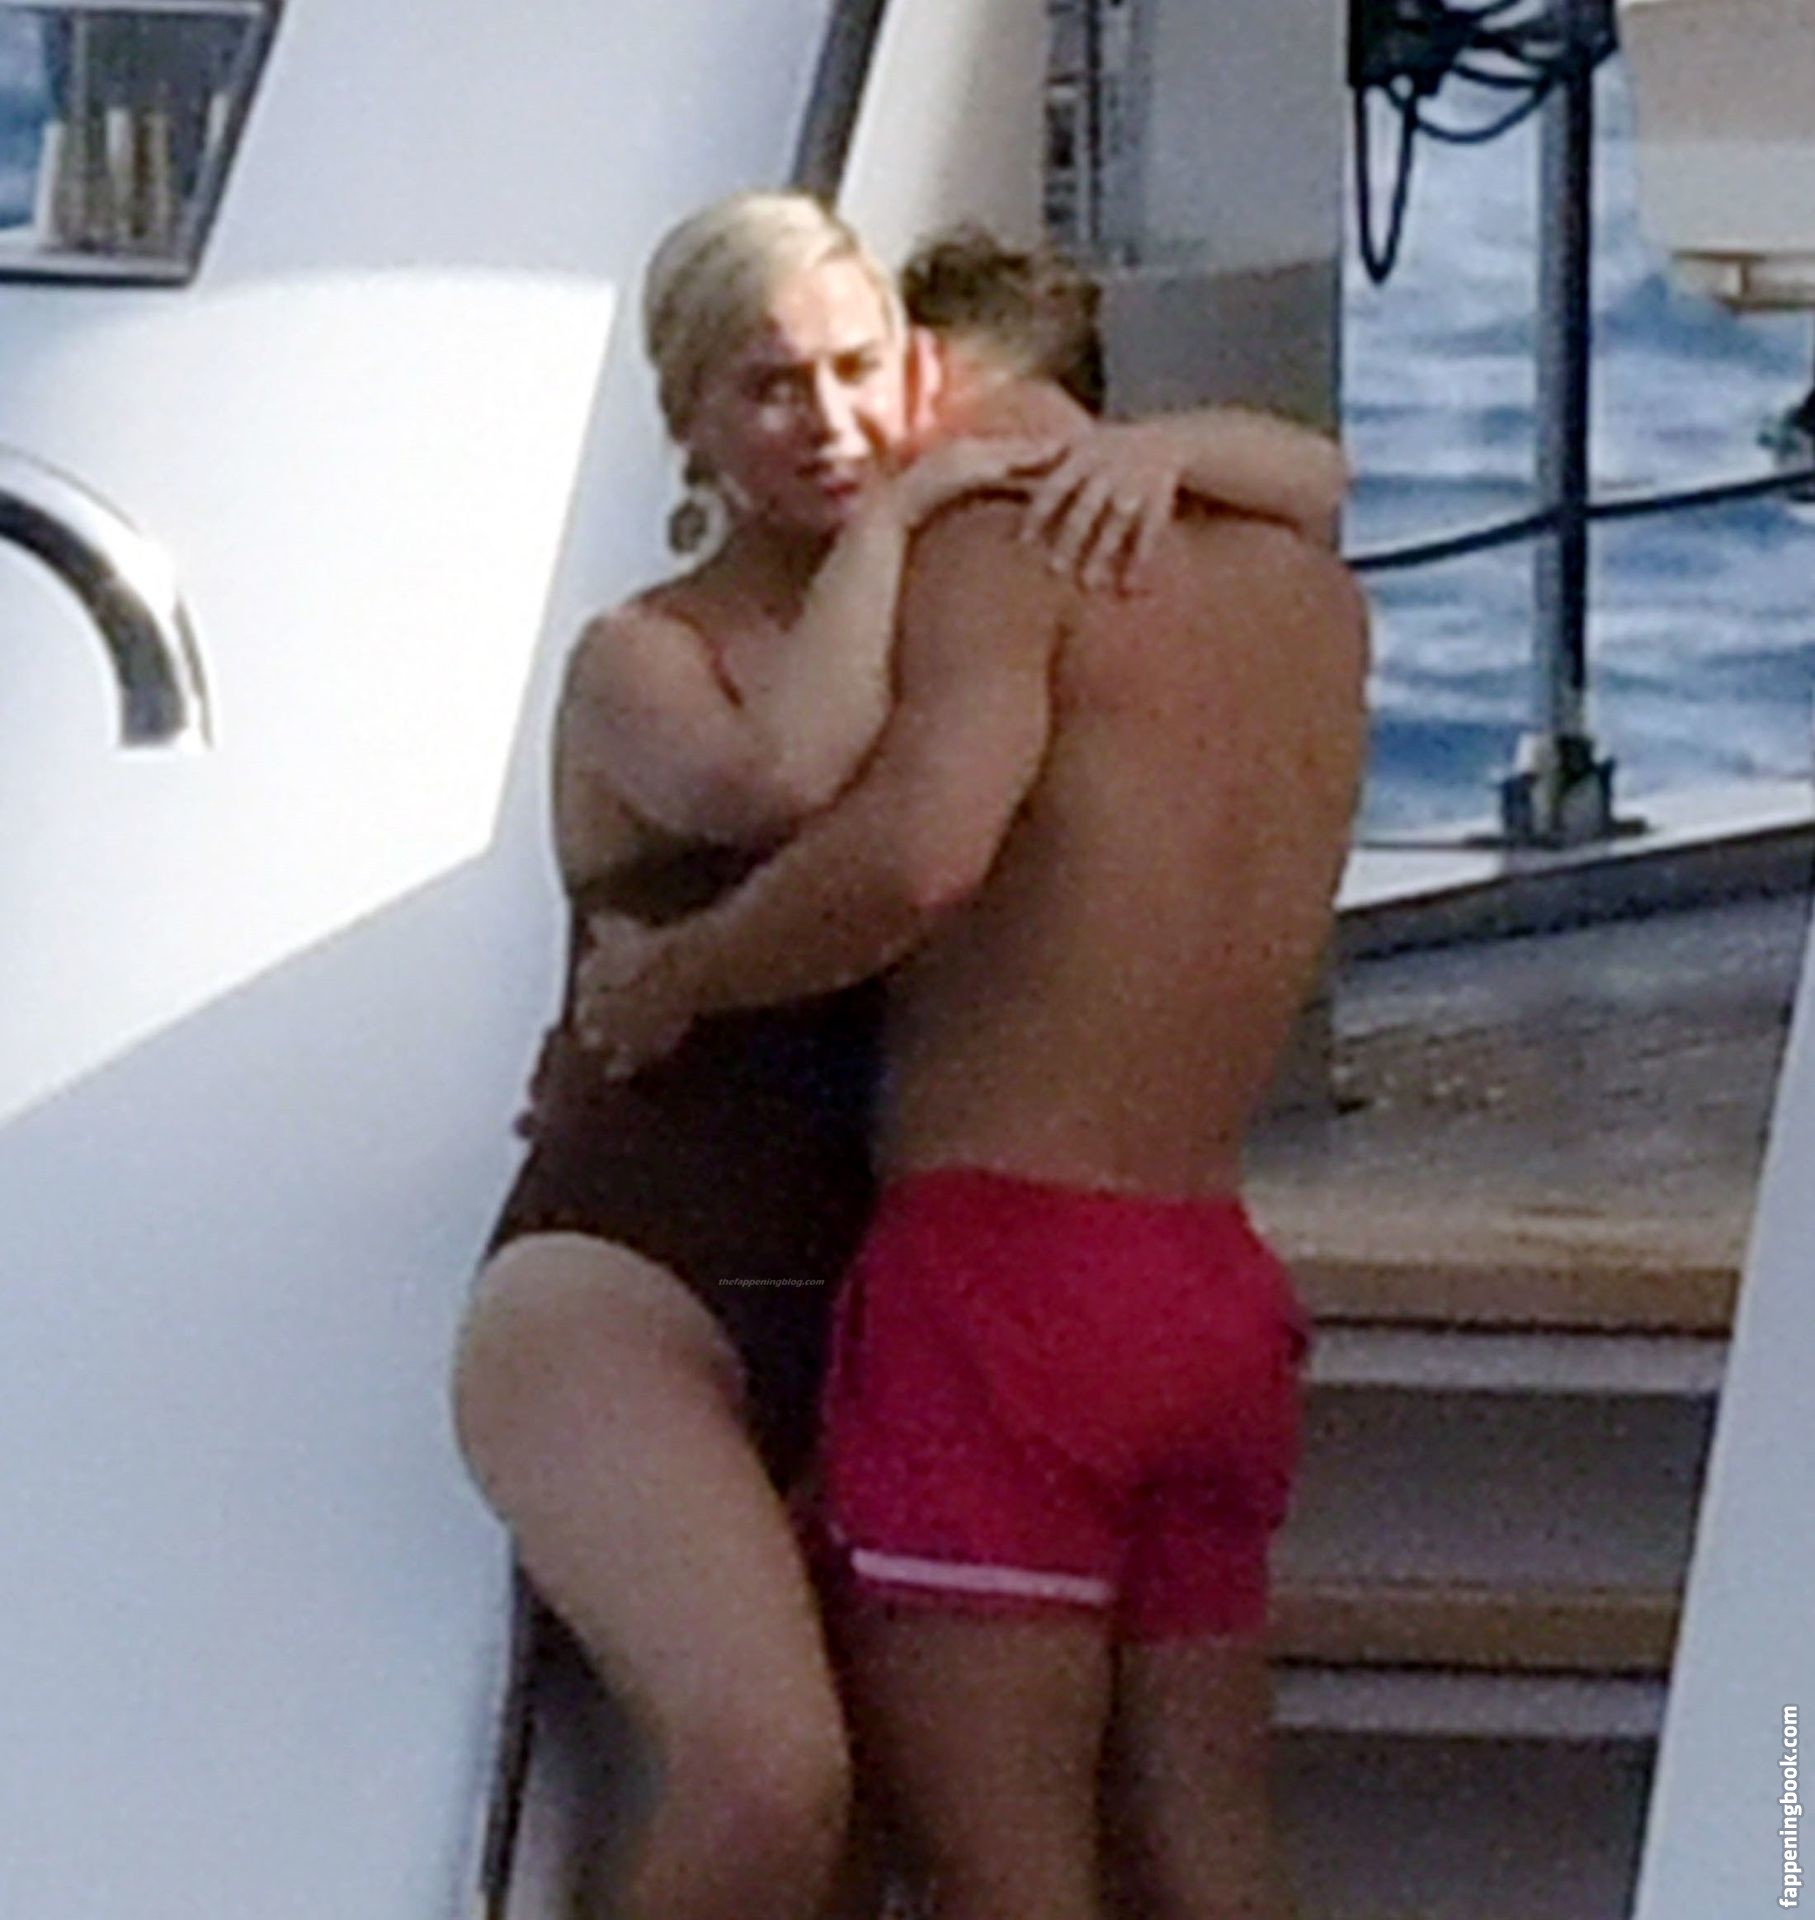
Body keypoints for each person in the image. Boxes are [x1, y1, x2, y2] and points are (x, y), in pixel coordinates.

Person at [454, 188, 1347, 1920]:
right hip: (634, 1274)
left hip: (894, 1288)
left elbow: (1316, 482)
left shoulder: (961, 615)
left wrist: (1151, 451)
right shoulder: (649, 656)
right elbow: (781, 790)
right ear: (687, 422)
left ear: (916, 369)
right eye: (766, 386)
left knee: (908, 1843)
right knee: (777, 1776)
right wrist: (921, 513)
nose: (829, 421)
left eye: (856, 371)